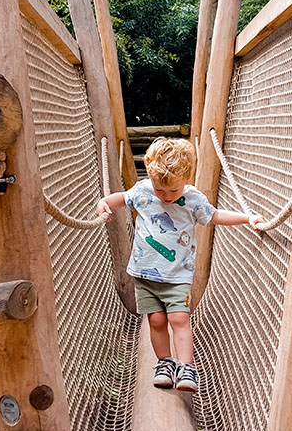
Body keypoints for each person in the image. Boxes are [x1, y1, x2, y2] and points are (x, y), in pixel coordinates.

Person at [97, 137, 265, 392]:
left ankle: (186, 368)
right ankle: (165, 363)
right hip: (145, 274)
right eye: (159, 190)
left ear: (186, 180)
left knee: (178, 318)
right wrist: (104, 204)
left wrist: (247, 218)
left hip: (177, 275)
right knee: (155, 320)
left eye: (173, 191)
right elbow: (120, 198)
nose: (165, 196)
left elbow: (215, 216)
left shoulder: (193, 199)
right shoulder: (143, 190)